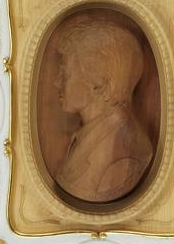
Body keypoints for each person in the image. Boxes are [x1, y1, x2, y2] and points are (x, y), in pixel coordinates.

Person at [54, 16, 152, 203]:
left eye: (65, 73)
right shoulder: (87, 135)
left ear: (99, 83)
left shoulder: (123, 152)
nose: (56, 82)